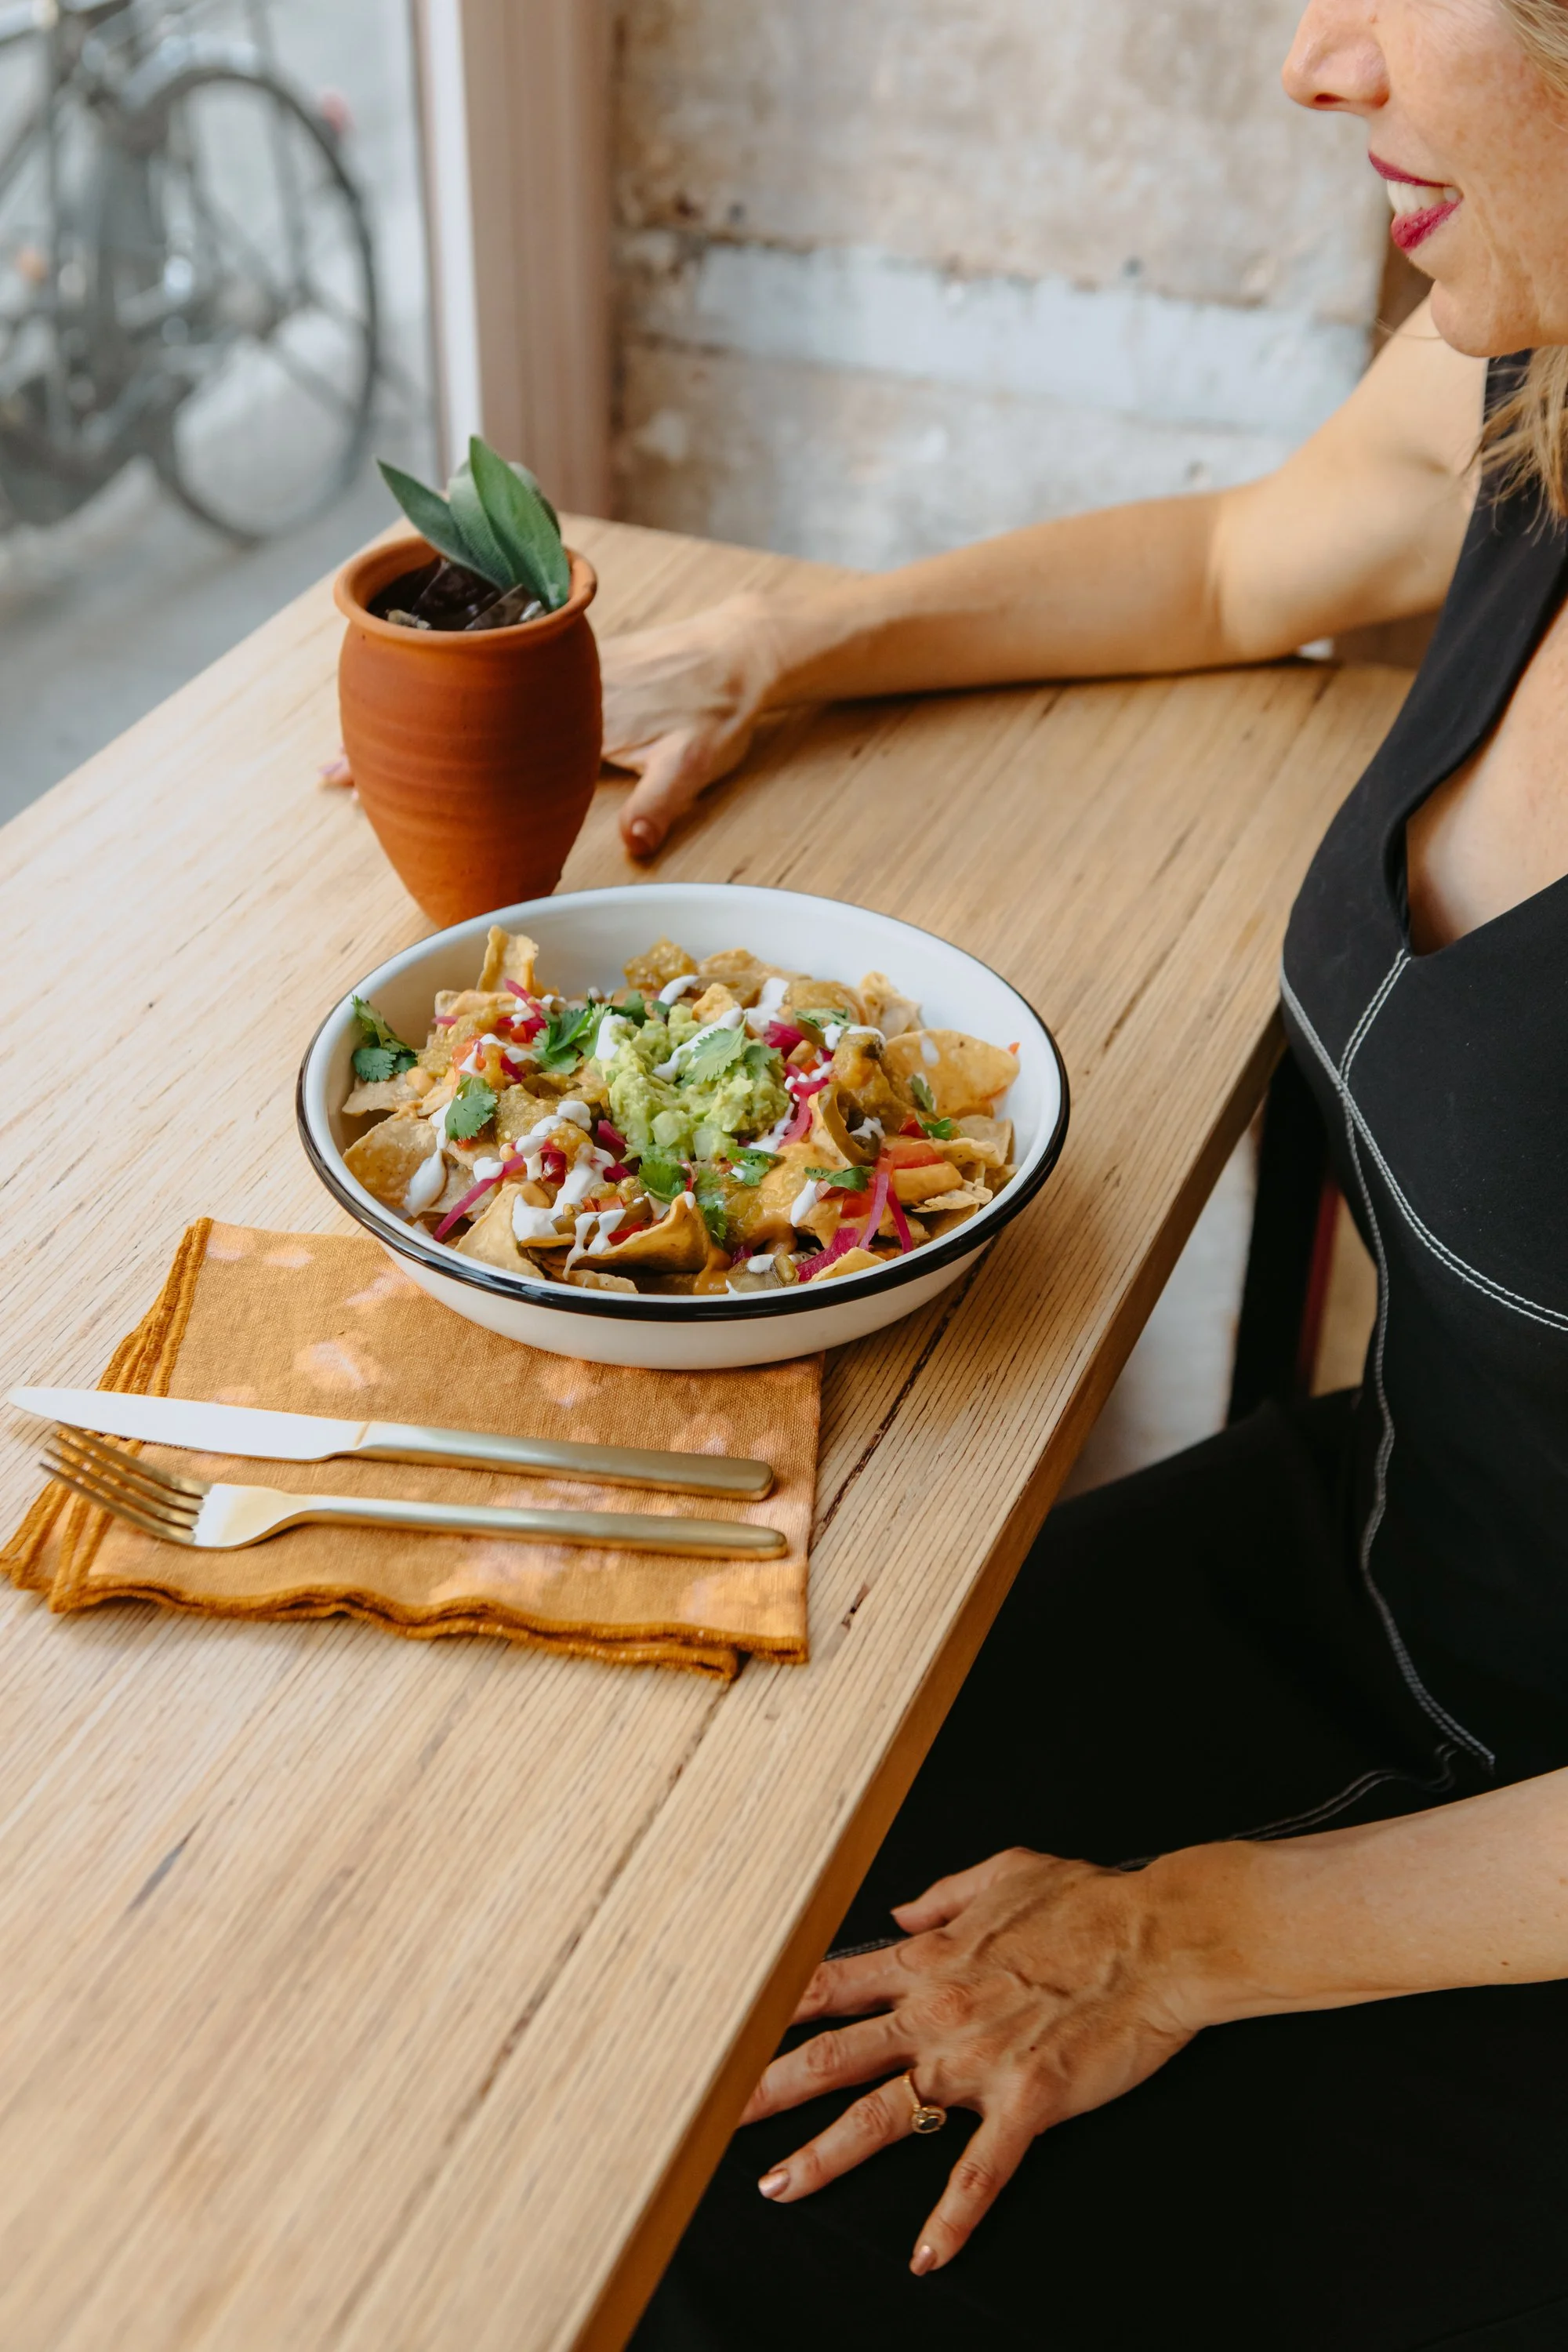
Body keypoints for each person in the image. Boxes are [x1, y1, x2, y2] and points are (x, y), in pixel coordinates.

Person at [609, 5, 1568, 2347]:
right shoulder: (1533, 377)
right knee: (662, 1927)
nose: (1310, 63)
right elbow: (1256, 554)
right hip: (1379, 1579)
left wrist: (1186, 1930)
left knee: (747, 2254)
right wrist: (799, 641)